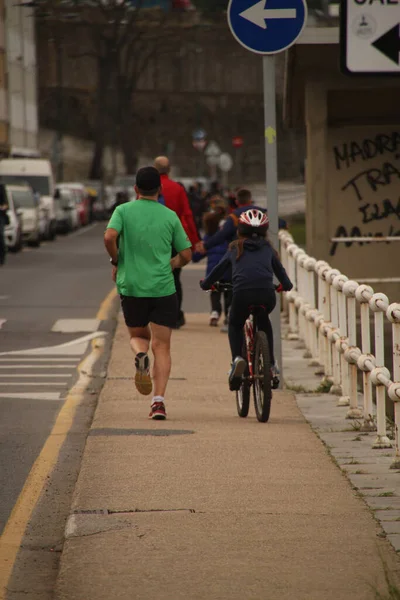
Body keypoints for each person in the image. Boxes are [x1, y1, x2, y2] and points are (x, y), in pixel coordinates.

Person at [104, 166, 192, 420]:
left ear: (135, 189)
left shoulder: (122, 211)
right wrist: (173, 264)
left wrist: (116, 259)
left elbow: (109, 236)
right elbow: (186, 254)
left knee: (138, 336)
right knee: (162, 346)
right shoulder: (169, 216)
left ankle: (140, 355)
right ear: (160, 189)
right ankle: (158, 402)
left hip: (132, 286)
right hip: (163, 288)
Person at [200, 208, 293, 391]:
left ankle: (237, 360)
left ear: (239, 230)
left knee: (235, 324)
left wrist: (206, 284)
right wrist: (286, 285)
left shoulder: (235, 247)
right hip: (266, 294)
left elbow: (219, 269)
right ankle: (271, 365)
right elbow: (281, 273)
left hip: (242, 294)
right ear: (265, 231)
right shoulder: (268, 248)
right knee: (264, 320)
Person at [154, 156, 199, 329]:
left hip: (154, 240)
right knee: (175, 278)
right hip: (173, 239)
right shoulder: (177, 189)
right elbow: (187, 215)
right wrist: (195, 240)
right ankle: (175, 315)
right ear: (169, 169)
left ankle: (158, 314)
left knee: (155, 277)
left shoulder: (147, 189)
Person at [195, 188, 287, 255]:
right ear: (250, 200)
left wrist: (206, 246)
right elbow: (280, 223)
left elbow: (222, 235)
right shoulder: (261, 213)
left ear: (236, 202)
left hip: (240, 254)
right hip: (261, 252)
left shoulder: (234, 217)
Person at [192, 196, 232, 328]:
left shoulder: (209, 237)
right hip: (228, 271)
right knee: (228, 292)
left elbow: (198, 255)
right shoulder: (228, 236)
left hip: (213, 272)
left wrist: (195, 255)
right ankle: (228, 314)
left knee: (215, 292)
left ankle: (215, 312)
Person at [0, 194, 9, 266]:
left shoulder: (1, 188)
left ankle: (2, 257)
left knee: (1, 236)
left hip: (0, 216)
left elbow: (5, 205)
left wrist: (2, 208)